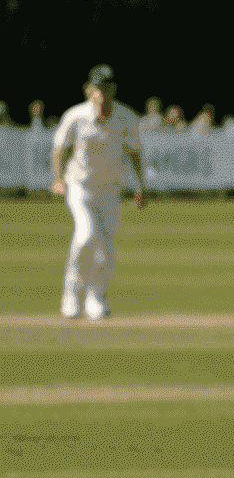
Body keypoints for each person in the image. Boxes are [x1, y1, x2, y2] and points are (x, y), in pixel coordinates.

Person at [50, 64, 147, 320]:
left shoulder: (126, 117)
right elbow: (59, 148)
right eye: (98, 88)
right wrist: (58, 179)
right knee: (85, 235)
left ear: (114, 89)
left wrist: (141, 186)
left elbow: (135, 152)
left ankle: (97, 297)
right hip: (80, 187)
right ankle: (71, 295)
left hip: (111, 189)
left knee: (105, 246)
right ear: (89, 90)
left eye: (107, 86)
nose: (102, 92)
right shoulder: (76, 116)